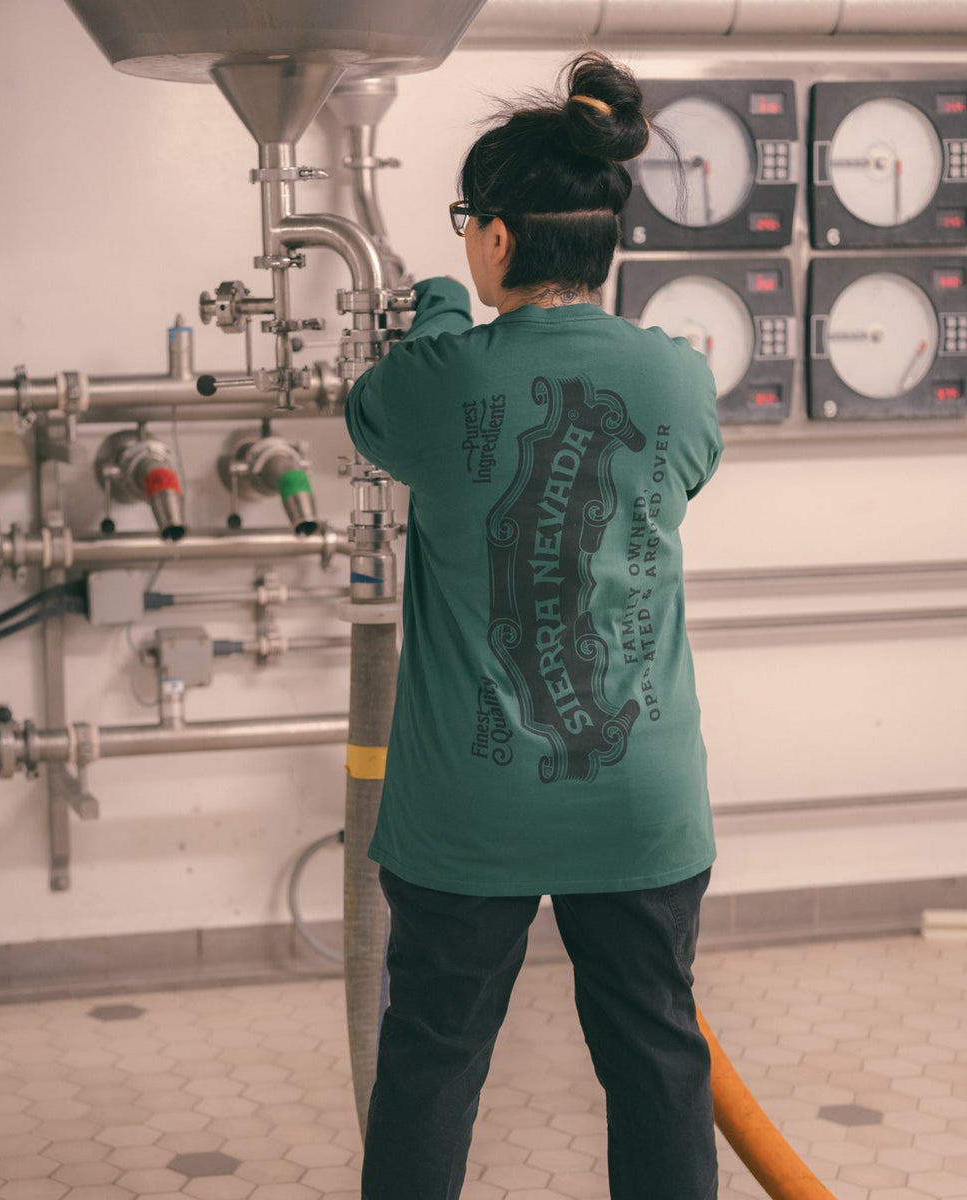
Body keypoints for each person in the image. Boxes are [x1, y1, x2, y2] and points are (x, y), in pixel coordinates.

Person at [344, 51, 724, 1200]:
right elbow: (678, 482)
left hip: (471, 807)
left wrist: (442, 310)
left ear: (497, 237)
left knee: (433, 1058)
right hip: (641, 798)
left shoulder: (442, 376)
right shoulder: (679, 378)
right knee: (659, 1060)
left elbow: (376, 409)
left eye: (470, 223)